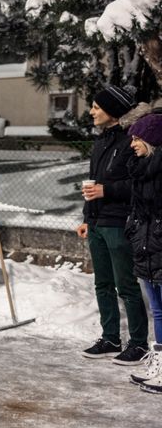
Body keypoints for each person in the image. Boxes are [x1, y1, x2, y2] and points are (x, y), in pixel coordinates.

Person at [76, 86, 150, 365]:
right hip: (96, 222)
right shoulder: (100, 142)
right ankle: (110, 338)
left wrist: (107, 191)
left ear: (113, 111)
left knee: (126, 286)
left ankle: (139, 343)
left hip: (119, 223)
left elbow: (139, 184)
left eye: (97, 106)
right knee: (102, 284)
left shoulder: (130, 141)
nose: (92, 111)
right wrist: (86, 218)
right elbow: (93, 182)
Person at [125, 110, 162, 393]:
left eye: (137, 138)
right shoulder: (140, 170)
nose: (132, 144)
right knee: (158, 311)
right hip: (147, 247)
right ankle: (159, 363)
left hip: (159, 245)